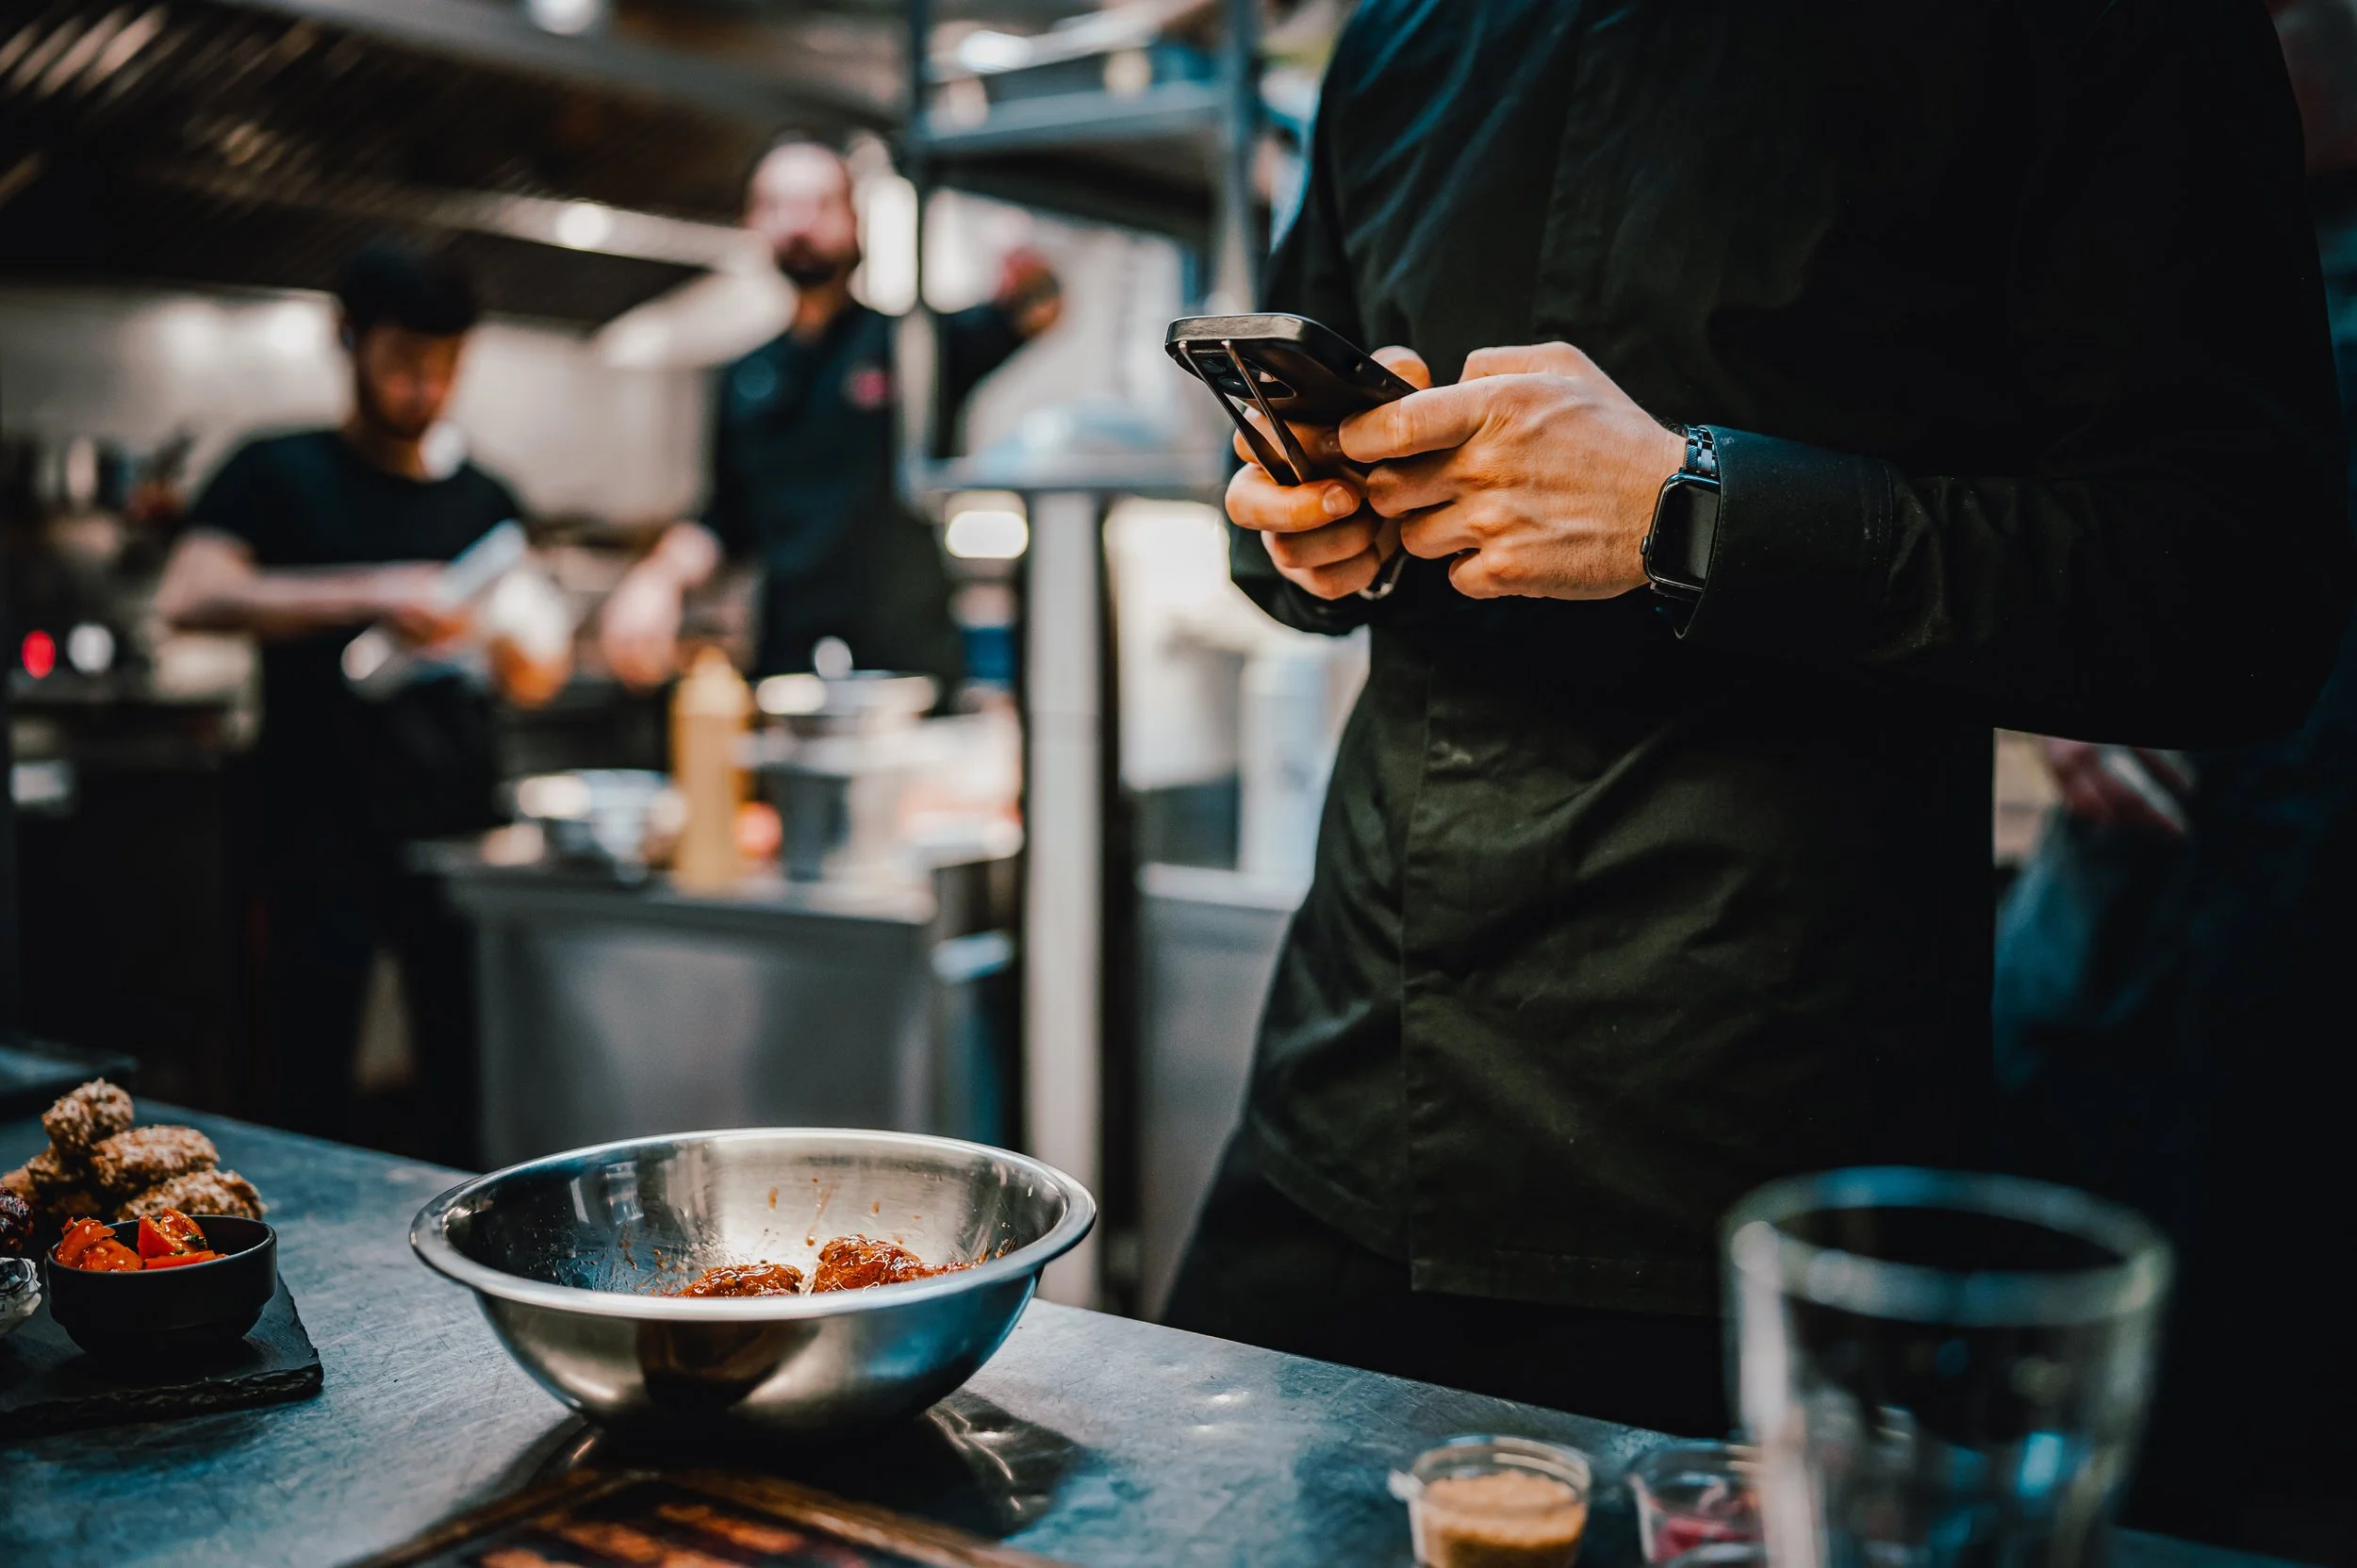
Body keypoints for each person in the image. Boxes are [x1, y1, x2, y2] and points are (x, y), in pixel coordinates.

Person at [1162, 0, 2351, 1439]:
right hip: (1347, 1087)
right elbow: (1291, 499)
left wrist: (1690, 508)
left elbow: (2238, 593)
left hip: (1756, 1157)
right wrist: (1298, 527)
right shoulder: (1403, 34)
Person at [1988, 3, 2357, 1554]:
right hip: (2129, 960)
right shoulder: (2152, 244)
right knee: (2082, 1432)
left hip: (2297, 969)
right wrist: (2062, 691)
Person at [156, 241, 518, 1163]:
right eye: (402, 362)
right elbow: (189, 594)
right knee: (305, 1088)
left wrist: (514, 642)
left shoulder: (485, 499)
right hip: (318, 830)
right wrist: (374, 590)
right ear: (348, 339)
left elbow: (531, 669)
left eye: (443, 368)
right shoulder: (277, 472)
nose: (422, 387)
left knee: (465, 1089)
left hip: (460, 838)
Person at [598, 138, 1061, 693]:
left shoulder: (915, 345)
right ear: (753, 225)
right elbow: (725, 520)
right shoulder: (744, 376)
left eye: (818, 205)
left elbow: (1038, 309)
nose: (798, 224)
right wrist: (659, 578)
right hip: (788, 676)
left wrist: (1030, 266)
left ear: (856, 222)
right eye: (776, 206)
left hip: (908, 675)